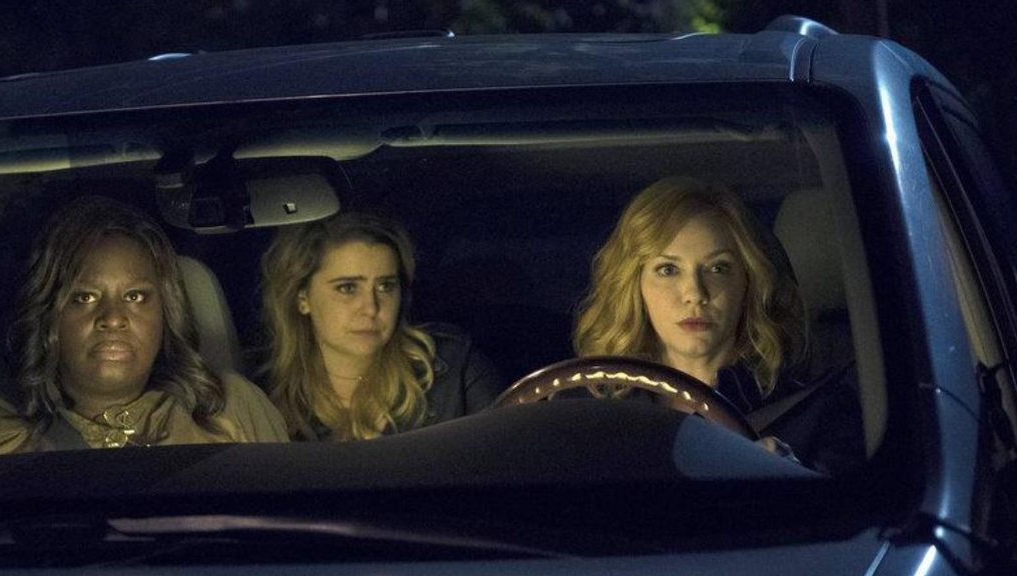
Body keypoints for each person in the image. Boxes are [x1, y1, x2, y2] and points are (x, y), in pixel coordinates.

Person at [0, 194, 288, 459]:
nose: (113, 318)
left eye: (135, 297)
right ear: (49, 313)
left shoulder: (228, 408)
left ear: (165, 314)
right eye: (84, 297)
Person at [573, 176, 863, 474]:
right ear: (635, 287)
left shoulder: (819, 411)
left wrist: (789, 479)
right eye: (668, 270)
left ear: (749, 282)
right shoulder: (586, 408)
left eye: (717, 268)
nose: (695, 294)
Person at [259, 210, 504, 441]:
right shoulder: (262, 398)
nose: (371, 307)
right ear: (302, 298)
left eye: (386, 286)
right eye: (347, 288)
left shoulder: (451, 370)